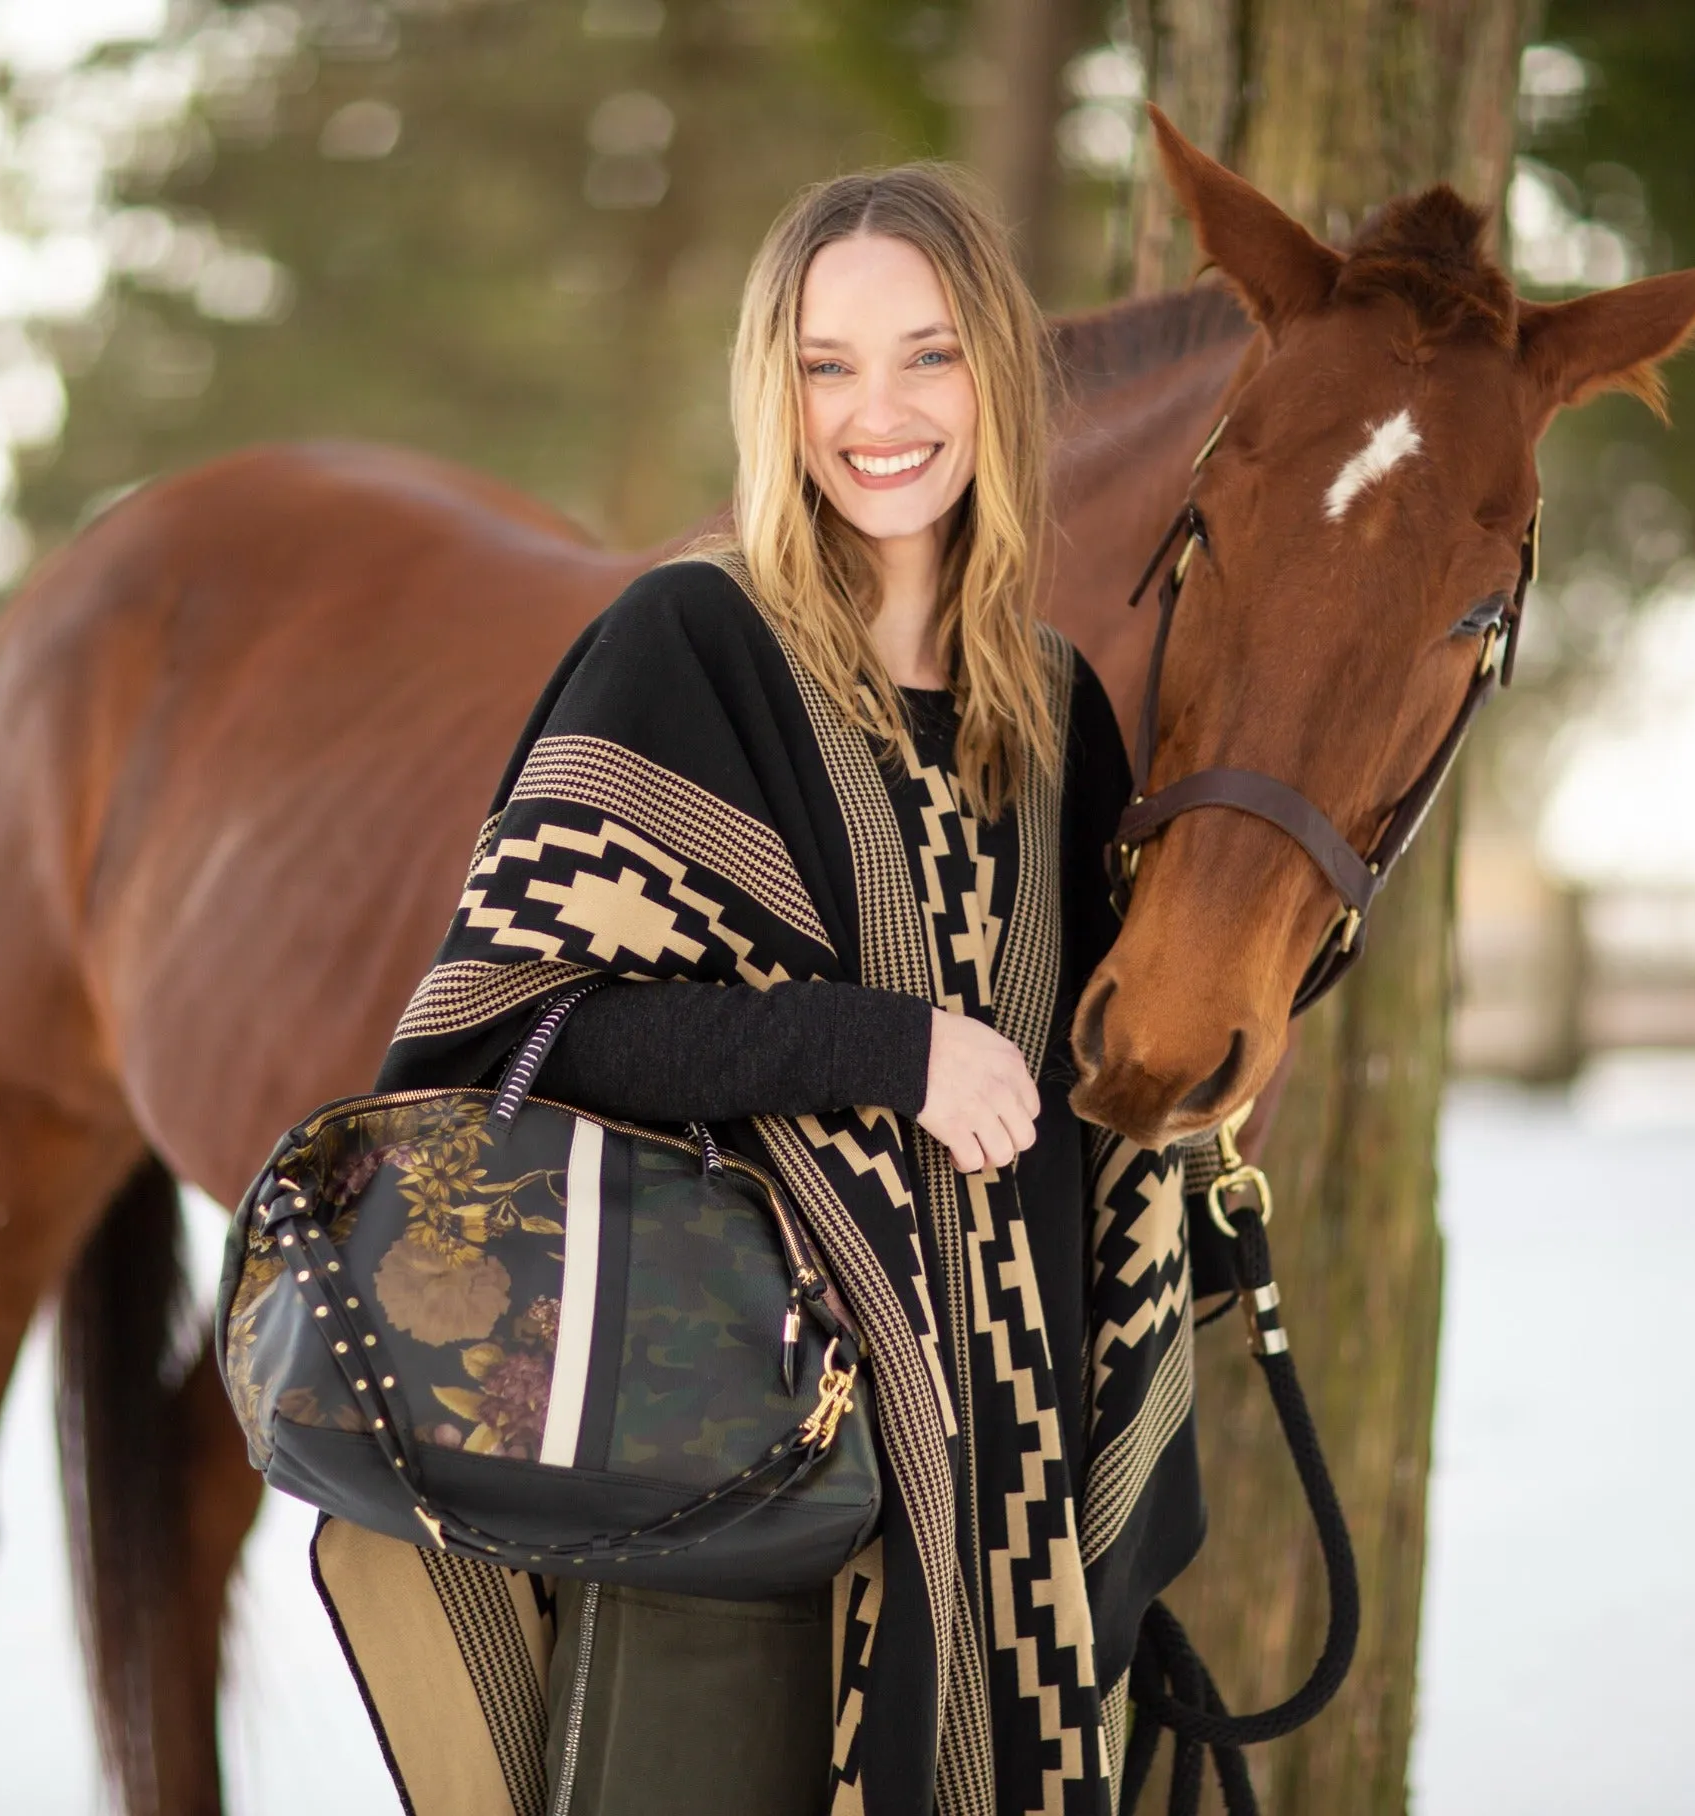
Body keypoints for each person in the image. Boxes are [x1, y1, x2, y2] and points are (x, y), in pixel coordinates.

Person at [312, 163, 1205, 1816]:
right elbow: (512, 1028)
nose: (881, 411)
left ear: (997, 378)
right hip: (743, 1492)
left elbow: (1079, 1100)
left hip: (1006, 1525)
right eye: (827, 363)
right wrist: (877, 1044)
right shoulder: (687, 644)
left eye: (928, 356)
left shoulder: (1062, 711)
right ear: (771, 388)